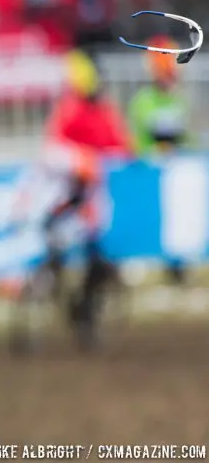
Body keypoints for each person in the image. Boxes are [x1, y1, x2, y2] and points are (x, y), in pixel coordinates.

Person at [42, 49, 132, 331]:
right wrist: (79, 161)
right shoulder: (71, 110)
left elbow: (122, 148)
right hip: (70, 190)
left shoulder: (104, 111)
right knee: (52, 227)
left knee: (97, 252)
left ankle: (86, 306)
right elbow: (53, 149)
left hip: (95, 195)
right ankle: (54, 277)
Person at [127, 35, 192, 284]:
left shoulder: (178, 99)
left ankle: (177, 264)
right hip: (149, 171)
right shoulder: (143, 101)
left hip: (174, 171)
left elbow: (184, 137)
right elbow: (140, 139)